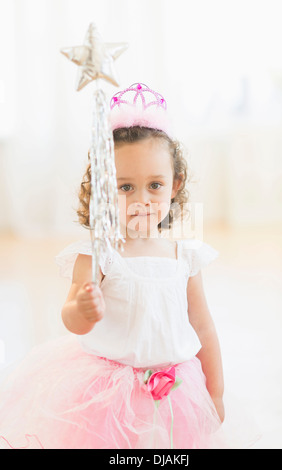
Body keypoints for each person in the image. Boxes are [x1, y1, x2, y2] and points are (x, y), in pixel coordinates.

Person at [0, 83, 229, 449]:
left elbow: (203, 326)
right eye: (125, 188)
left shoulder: (185, 256)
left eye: (155, 185)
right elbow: (72, 317)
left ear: (175, 185)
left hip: (176, 393)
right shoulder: (99, 255)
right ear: (104, 189)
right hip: (107, 396)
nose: (141, 200)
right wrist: (82, 308)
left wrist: (215, 394)